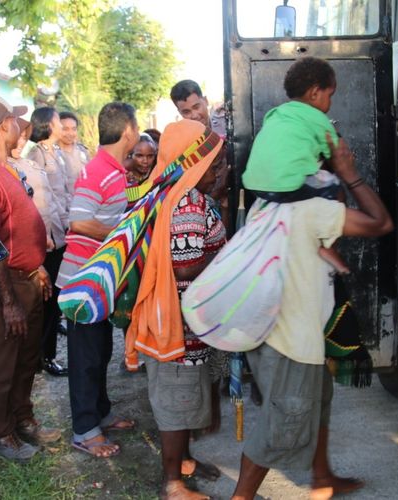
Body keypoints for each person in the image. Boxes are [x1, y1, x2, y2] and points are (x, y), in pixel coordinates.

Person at [231, 134, 393, 499]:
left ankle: (323, 478)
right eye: (337, 151)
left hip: (288, 332)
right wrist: (351, 174)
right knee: (281, 427)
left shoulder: (272, 202)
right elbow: (380, 222)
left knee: (318, 401)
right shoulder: (311, 206)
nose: (344, 152)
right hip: (289, 341)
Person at [0, 95, 61, 461]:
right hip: (2, 285)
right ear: (5, 126)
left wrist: (36, 268)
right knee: (3, 362)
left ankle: (22, 419)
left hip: (25, 278)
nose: (21, 124)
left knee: (25, 358)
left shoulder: (4, 167)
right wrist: (8, 301)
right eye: (16, 120)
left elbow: (17, 230)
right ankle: (0, 435)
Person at [140, 120, 227, 500]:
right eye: (214, 163)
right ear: (192, 161)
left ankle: (185, 463)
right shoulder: (187, 202)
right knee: (177, 401)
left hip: (174, 320)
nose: (219, 170)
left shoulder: (169, 191)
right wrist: (228, 257)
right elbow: (183, 267)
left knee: (184, 396)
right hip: (178, 325)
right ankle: (173, 484)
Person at [58, 102, 139, 458]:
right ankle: (84, 430)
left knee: (101, 350)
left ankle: (100, 413)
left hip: (98, 281)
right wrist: (122, 233)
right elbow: (78, 221)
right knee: (86, 357)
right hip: (82, 282)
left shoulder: (113, 169)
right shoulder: (98, 171)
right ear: (128, 131)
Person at [243, 57, 351, 274]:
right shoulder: (318, 119)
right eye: (330, 96)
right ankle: (328, 247)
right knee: (336, 191)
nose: (330, 103)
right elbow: (339, 156)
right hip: (290, 185)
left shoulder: (275, 115)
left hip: (256, 185)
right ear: (314, 93)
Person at [170, 79, 235, 429]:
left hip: (219, 229)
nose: (194, 114)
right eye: (185, 112)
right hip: (204, 243)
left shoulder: (228, 131)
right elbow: (185, 269)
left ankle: (218, 395)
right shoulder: (188, 200)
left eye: (196, 107)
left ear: (205, 102)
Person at [11, 118, 67, 377]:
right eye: (17, 135)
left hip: (53, 240)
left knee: (52, 303)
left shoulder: (30, 163)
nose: (21, 140)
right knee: (36, 307)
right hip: (32, 249)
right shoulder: (5, 168)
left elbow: (53, 199)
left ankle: (47, 356)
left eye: (24, 135)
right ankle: (36, 359)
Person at [27, 107, 71, 377]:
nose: (61, 125)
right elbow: (37, 202)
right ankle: (45, 356)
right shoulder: (36, 155)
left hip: (61, 231)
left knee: (55, 297)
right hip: (48, 239)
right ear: (47, 124)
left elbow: (61, 194)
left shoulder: (56, 153)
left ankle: (47, 352)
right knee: (47, 299)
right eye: (57, 121)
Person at [58, 110, 90, 194]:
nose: (70, 133)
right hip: (63, 204)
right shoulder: (52, 154)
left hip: (85, 201)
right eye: (65, 129)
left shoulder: (83, 151)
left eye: (74, 129)